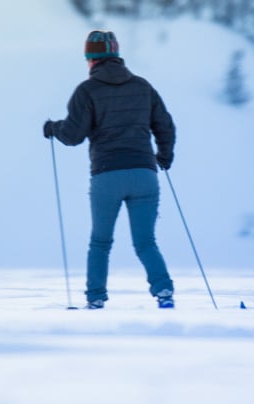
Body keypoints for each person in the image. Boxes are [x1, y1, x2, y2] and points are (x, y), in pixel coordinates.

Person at [44, 30, 177, 310]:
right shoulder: (143, 87)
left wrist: (53, 128)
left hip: (107, 174)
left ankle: (96, 298)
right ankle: (164, 292)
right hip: (144, 173)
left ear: (90, 59)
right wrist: (164, 156)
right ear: (116, 55)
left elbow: (73, 135)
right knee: (145, 241)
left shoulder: (87, 91)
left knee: (101, 242)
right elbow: (165, 124)